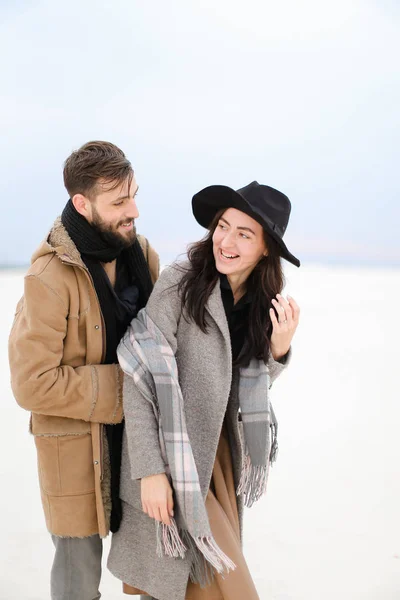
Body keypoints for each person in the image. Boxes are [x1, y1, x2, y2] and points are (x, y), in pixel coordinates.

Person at [108, 181, 301, 600]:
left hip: (221, 459)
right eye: (223, 226)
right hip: (173, 454)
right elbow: (141, 375)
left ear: (266, 248)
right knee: (219, 588)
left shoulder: (263, 302)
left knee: (205, 586)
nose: (226, 241)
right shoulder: (182, 281)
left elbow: (246, 393)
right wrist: (151, 471)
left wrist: (278, 351)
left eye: (244, 234)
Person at [8, 140, 159, 600]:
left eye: (133, 195)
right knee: (77, 585)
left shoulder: (142, 254)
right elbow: (31, 384)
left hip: (142, 451)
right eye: (118, 202)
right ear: (82, 203)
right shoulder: (48, 278)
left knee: (158, 575)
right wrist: (127, 387)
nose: (133, 210)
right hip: (73, 456)